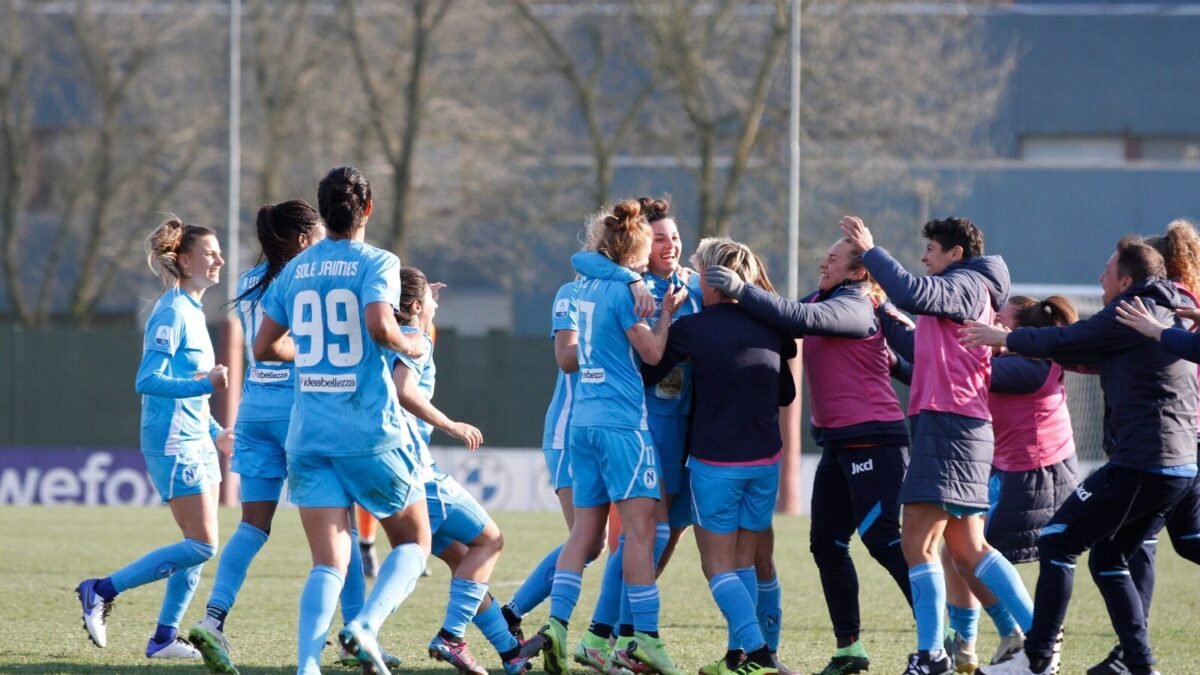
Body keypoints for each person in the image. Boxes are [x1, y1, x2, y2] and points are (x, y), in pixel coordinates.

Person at [964, 236, 1198, 675]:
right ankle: (1139, 665)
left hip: (1145, 463)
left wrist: (1007, 337)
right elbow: (1092, 355)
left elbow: (1074, 337)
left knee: (1057, 540)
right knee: (1109, 557)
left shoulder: (1133, 308)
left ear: (1125, 281)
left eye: (1106, 272)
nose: (1100, 278)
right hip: (1174, 463)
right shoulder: (1170, 305)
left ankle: (1037, 658)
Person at [707, 236, 913, 675]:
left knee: (883, 541)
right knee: (827, 545)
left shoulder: (856, 303)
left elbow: (799, 318)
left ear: (858, 272)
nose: (823, 263)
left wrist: (741, 289)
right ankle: (849, 650)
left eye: (833, 259)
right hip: (839, 444)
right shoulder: (826, 298)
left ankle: (940, 637)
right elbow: (782, 316)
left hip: (875, 441)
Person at [839, 215, 1033, 675]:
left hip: (950, 426)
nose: (924, 257)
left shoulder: (965, 283)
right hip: (958, 425)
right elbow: (920, 339)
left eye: (930, 249)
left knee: (918, 541)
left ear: (955, 253)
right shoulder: (966, 288)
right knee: (967, 547)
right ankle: (1038, 636)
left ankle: (933, 655)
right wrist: (881, 313)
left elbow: (912, 293)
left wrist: (871, 251)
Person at [254, 165, 428, 675]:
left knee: (328, 563)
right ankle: (365, 626)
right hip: (366, 431)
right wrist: (412, 344)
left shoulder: (296, 269)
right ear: (368, 208)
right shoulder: (379, 261)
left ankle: (307, 667)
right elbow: (380, 327)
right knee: (414, 541)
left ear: (323, 212)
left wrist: (309, 354)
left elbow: (264, 347)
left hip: (308, 435)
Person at [535, 199, 688, 675]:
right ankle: (646, 638)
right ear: (634, 250)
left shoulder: (581, 287)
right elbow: (653, 351)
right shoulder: (626, 292)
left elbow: (582, 262)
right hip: (623, 424)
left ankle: (557, 625)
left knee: (584, 532)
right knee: (642, 533)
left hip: (582, 423)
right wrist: (667, 313)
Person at [890, 296, 1080, 672]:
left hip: (1035, 477)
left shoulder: (1029, 368)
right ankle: (972, 644)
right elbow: (943, 372)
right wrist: (900, 360)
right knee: (958, 550)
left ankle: (1030, 637)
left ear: (1018, 333)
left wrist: (899, 327)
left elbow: (953, 369)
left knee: (968, 552)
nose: (988, 322)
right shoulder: (1015, 361)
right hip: (1007, 470)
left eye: (998, 319)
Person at [76, 217, 233, 660]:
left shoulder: (195, 312)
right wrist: (205, 384)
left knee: (195, 550)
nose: (219, 260)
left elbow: (191, 387)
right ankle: (101, 589)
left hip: (196, 438)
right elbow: (147, 380)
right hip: (172, 442)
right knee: (202, 544)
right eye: (210, 253)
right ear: (184, 260)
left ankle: (164, 637)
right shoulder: (172, 312)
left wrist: (216, 432)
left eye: (219, 253)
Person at [643, 236, 795, 675]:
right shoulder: (770, 325)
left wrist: (666, 316)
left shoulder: (693, 329)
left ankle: (758, 653)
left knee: (717, 566)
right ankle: (738, 657)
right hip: (765, 462)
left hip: (716, 464)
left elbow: (650, 370)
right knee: (745, 562)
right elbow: (786, 393)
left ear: (711, 281)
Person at [384, 266, 534, 675]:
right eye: (429, 300)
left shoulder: (387, 339)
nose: (437, 304)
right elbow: (403, 389)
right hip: (416, 471)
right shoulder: (416, 340)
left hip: (387, 468)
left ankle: (509, 652)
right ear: (414, 306)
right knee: (491, 541)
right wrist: (451, 425)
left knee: (465, 559)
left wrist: (422, 300)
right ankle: (450, 636)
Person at [1100, 220, 1200, 673]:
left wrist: (1154, 330)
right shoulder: (1184, 300)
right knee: (1180, 540)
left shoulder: (1163, 303)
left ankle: (1130, 655)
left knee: (1131, 544)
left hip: (1178, 439)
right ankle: (1129, 653)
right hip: (1183, 439)